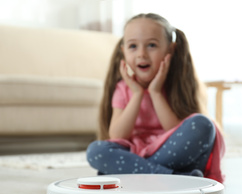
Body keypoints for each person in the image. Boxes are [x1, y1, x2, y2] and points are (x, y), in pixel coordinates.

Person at [86, 13, 225, 183]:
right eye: (133, 46)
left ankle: (135, 174)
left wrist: (156, 92)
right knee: (96, 151)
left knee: (204, 125)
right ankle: (173, 178)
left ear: (170, 50)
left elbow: (174, 131)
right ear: (123, 51)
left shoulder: (176, 85)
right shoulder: (123, 88)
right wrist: (137, 94)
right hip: (135, 153)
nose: (142, 54)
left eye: (152, 45)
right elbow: (116, 134)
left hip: (171, 155)